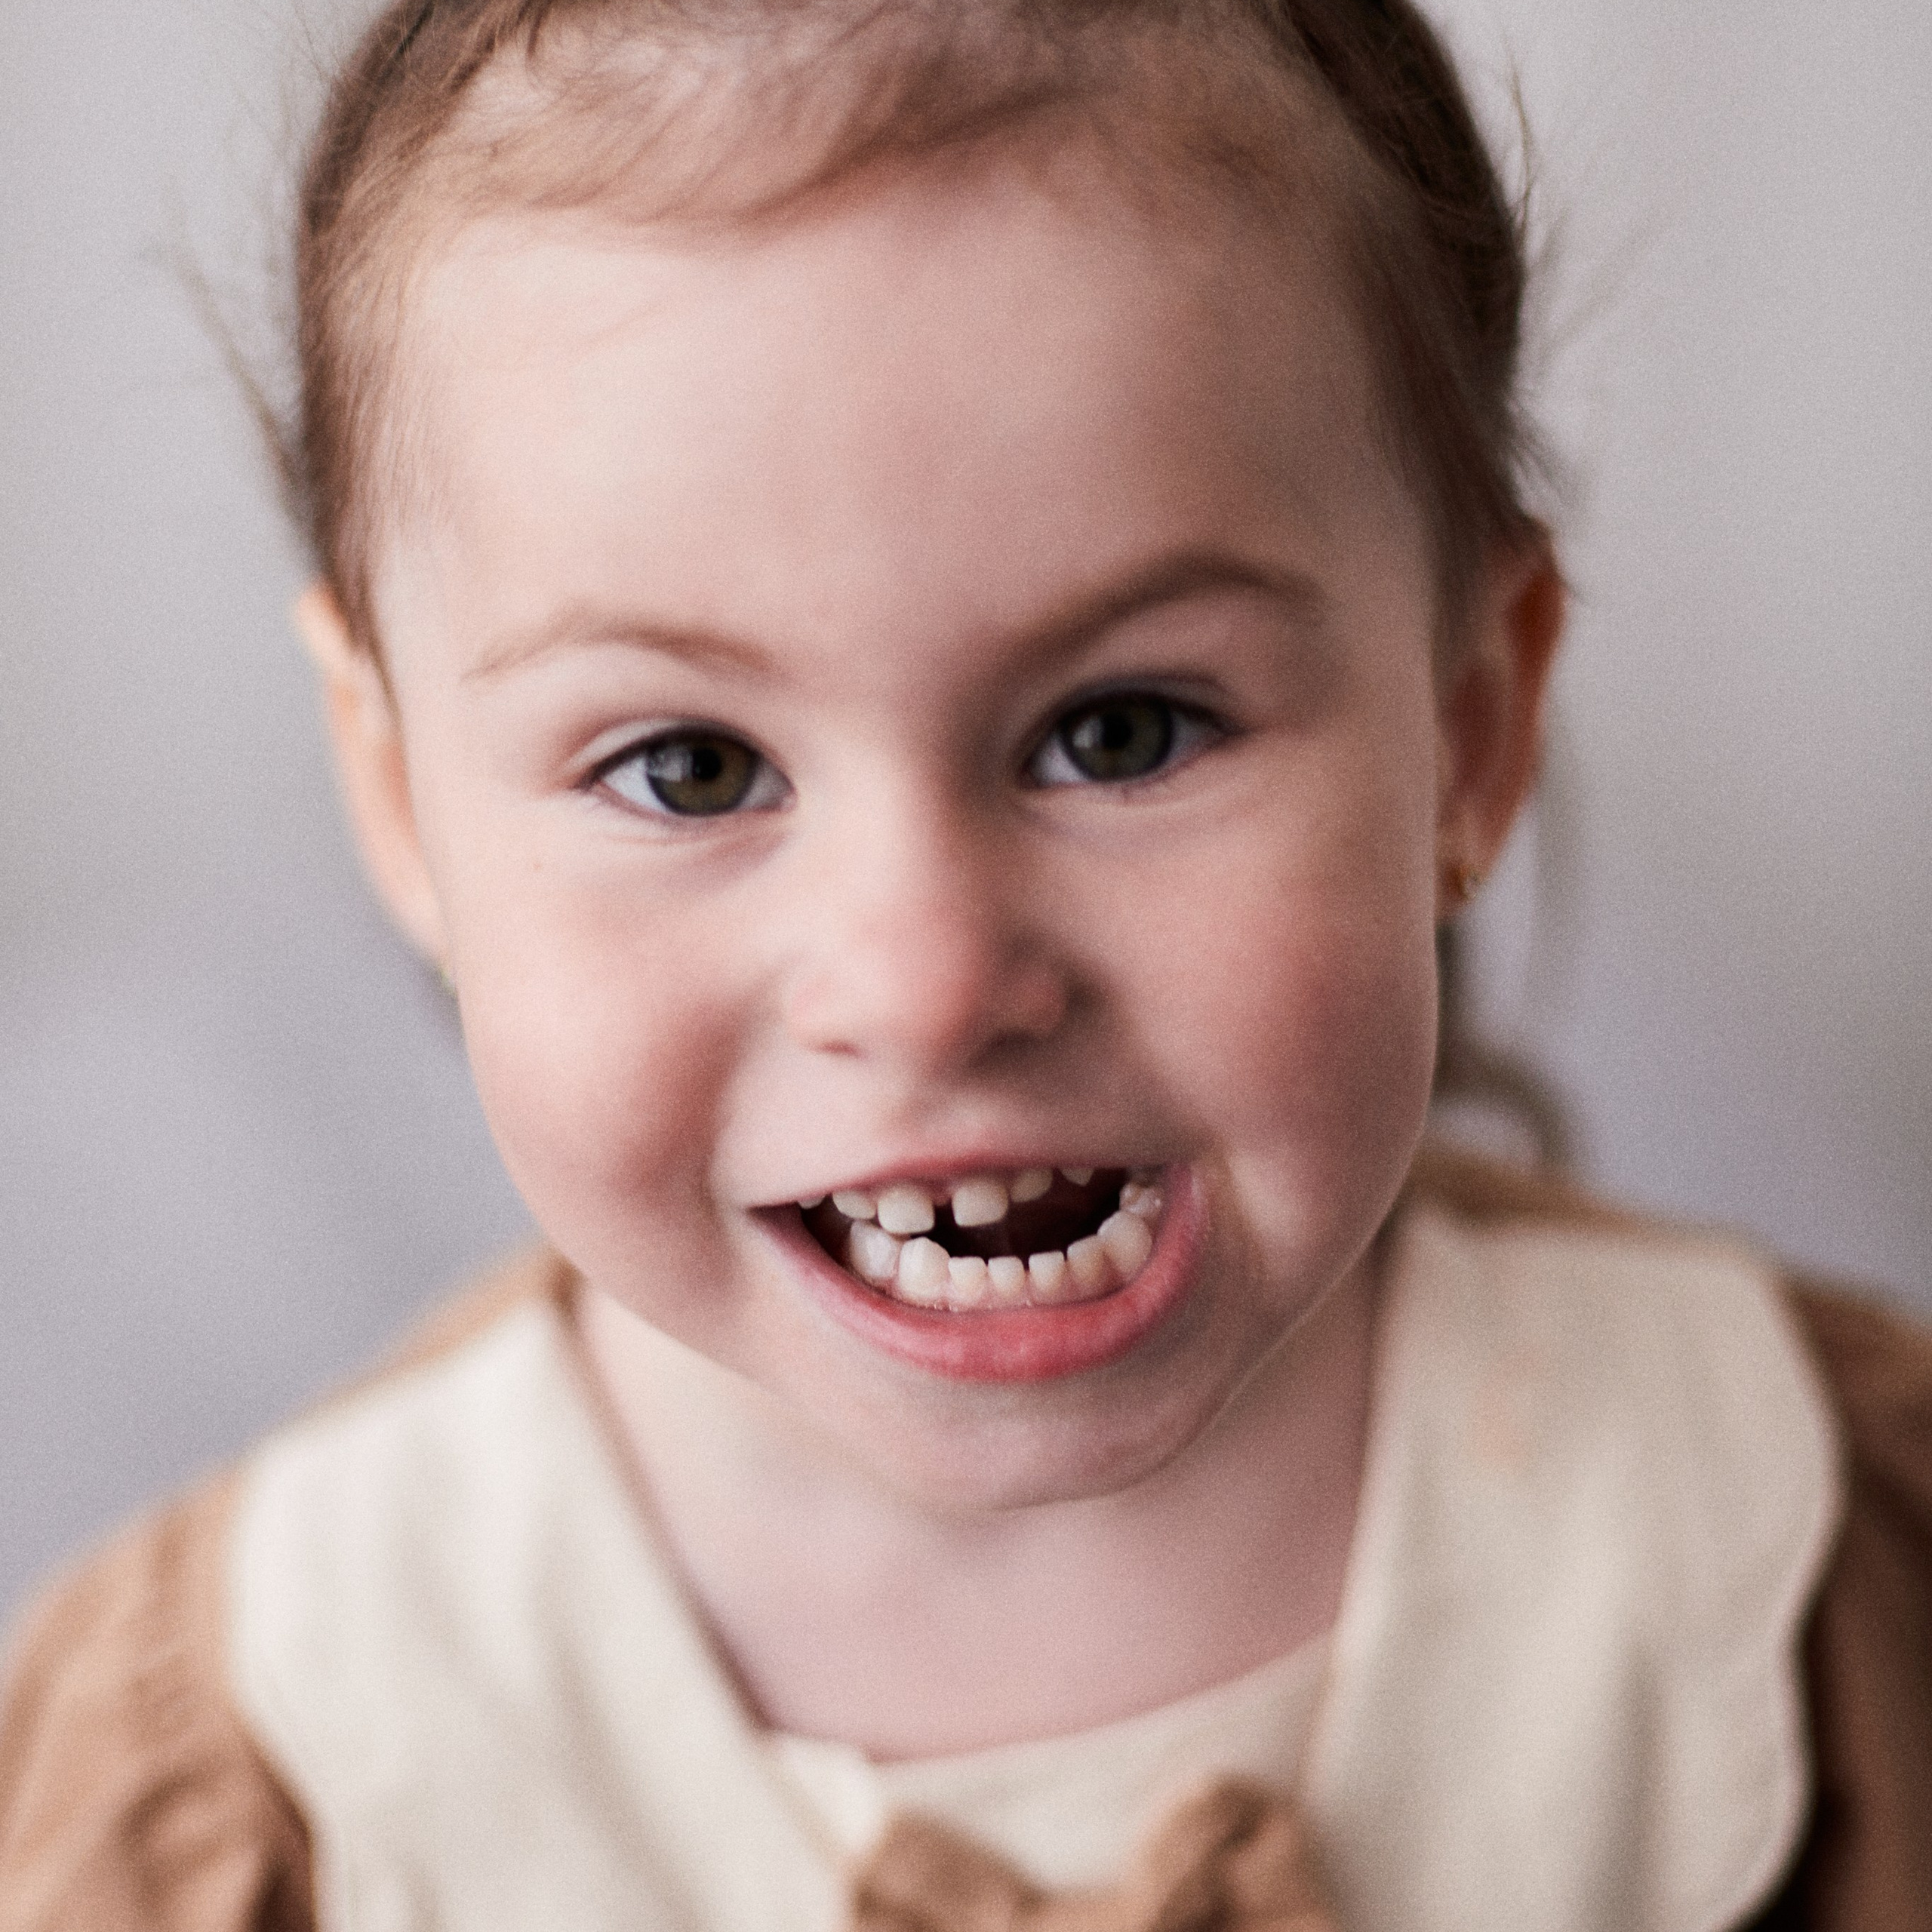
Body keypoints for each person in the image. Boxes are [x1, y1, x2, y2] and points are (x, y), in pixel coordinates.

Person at [2, 2, 1927, 1927]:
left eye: (1122, 730)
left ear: (1468, 723)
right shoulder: (265, 1771)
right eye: (689, 768)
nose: (926, 981)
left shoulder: (1803, 1559)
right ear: (402, 798)